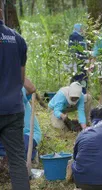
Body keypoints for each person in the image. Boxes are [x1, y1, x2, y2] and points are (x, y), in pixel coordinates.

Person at [0, 9, 30, 189]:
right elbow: (21, 77)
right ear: (1, 12)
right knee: (17, 160)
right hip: (13, 108)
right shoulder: (17, 39)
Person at [0, 78, 42, 160]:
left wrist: (16, 70)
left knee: (19, 153)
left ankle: (31, 153)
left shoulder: (14, 90)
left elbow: (31, 89)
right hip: (7, 135)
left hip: (26, 133)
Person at [68, 23, 88, 94]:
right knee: (82, 80)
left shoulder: (71, 37)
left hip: (73, 62)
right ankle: (82, 94)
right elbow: (83, 51)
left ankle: (73, 94)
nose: (83, 30)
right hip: (81, 62)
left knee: (74, 80)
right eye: (82, 29)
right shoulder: (79, 38)